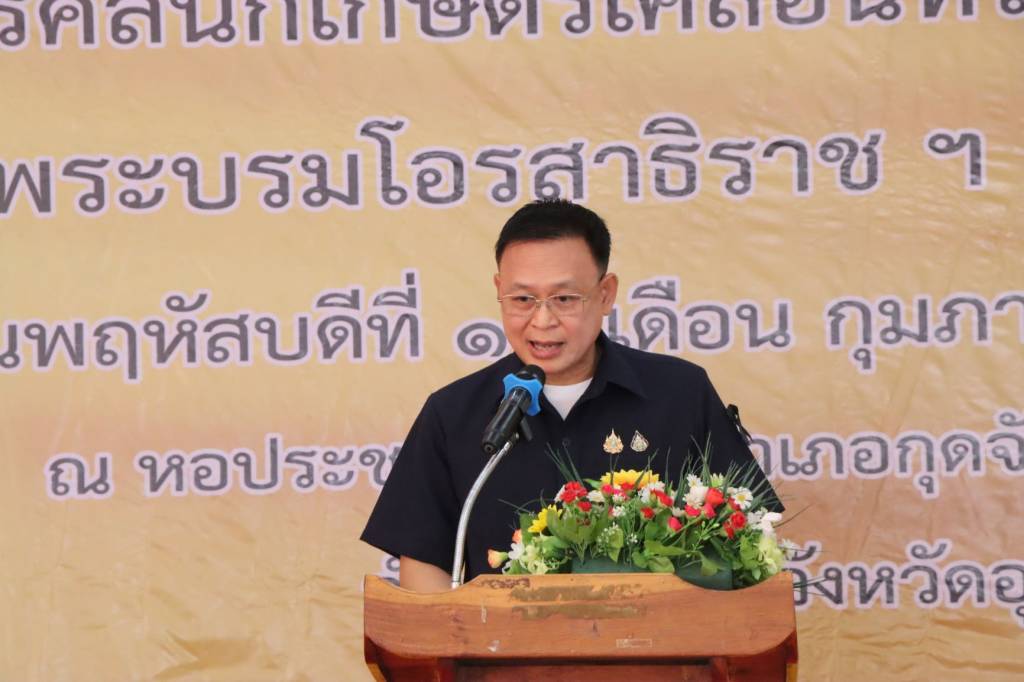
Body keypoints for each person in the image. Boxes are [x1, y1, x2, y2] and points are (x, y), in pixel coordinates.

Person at [360, 199, 781, 592]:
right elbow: (424, 565)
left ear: (605, 294)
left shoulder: (679, 394)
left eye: (564, 298)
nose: (542, 320)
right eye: (522, 299)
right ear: (499, 290)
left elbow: (746, 538)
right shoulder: (453, 414)